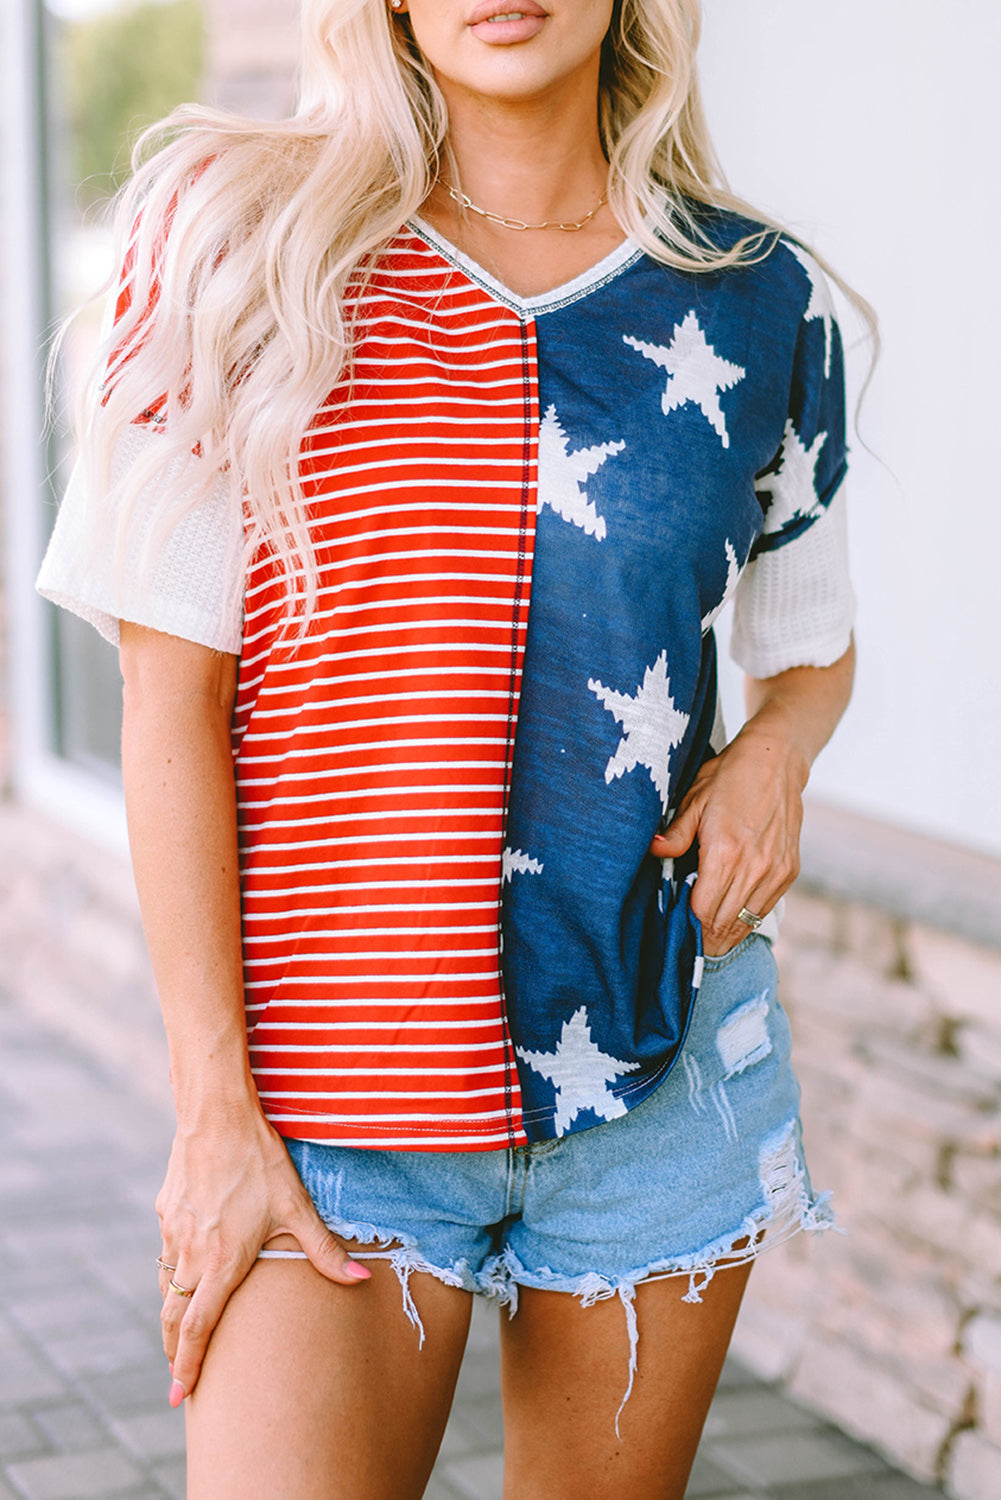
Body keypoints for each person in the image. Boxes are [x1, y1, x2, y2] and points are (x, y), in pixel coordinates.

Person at [37, 0, 867, 1494]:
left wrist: (775, 756)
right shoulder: (242, 239)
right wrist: (212, 1114)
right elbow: (169, 702)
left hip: (651, 1075)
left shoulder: (753, 301)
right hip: (321, 1108)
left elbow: (808, 643)